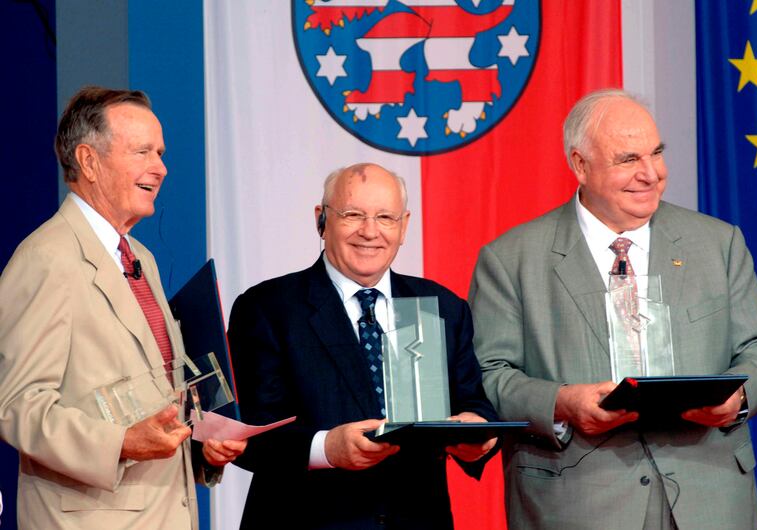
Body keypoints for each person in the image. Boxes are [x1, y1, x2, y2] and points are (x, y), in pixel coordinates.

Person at [469, 89, 757, 529]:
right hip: (579, 505)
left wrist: (738, 398)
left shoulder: (718, 243)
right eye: (627, 159)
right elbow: (490, 376)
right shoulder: (511, 259)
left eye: (656, 153)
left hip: (711, 498)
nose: (650, 174)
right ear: (580, 165)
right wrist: (563, 402)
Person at [0, 86, 246, 529]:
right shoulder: (45, 259)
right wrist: (120, 442)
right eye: (143, 152)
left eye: (160, 152)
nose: (161, 167)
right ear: (89, 162)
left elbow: (158, 399)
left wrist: (201, 444)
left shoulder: (139, 257)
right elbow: (18, 406)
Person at [227, 163, 499, 529]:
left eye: (385, 217)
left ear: (403, 227)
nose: (370, 232)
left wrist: (476, 433)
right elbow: (246, 433)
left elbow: (473, 403)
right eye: (353, 214)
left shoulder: (441, 306)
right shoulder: (267, 307)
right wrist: (326, 448)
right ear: (321, 220)